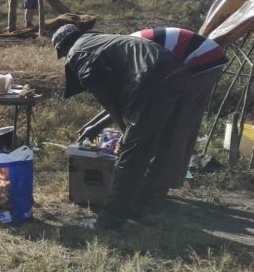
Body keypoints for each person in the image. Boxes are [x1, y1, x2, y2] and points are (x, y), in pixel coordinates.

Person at [52, 24, 191, 229]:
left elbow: (108, 100)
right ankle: (142, 207)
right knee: (162, 144)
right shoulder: (102, 41)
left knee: (131, 154)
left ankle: (110, 221)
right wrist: (97, 126)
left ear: (62, 48)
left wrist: (125, 134)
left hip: (151, 78)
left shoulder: (77, 52)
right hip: (177, 71)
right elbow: (121, 100)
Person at [77, 27, 227, 191]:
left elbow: (136, 102)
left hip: (201, 60)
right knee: (162, 122)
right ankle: (155, 178)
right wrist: (93, 125)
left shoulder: (129, 58)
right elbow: (122, 103)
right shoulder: (124, 49)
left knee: (176, 124)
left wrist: (99, 127)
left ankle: (160, 186)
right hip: (191, 59)